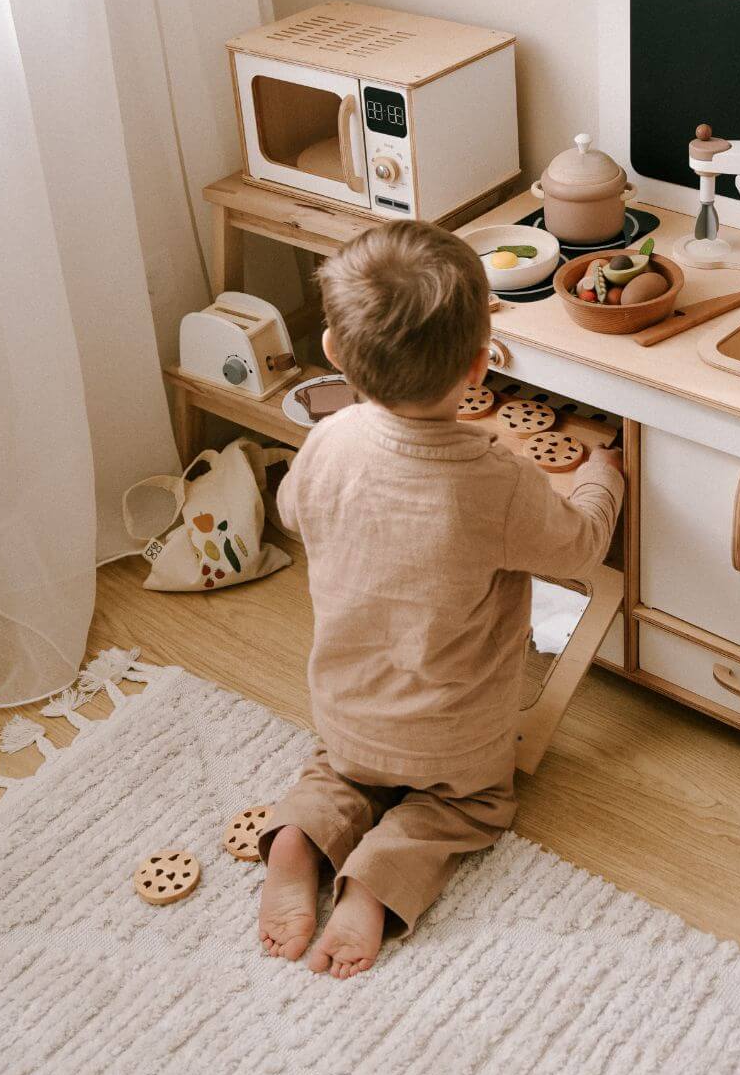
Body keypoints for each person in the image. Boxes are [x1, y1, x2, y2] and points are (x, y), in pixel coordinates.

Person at [257, 221, 624, 978]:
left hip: (347, 712)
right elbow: (580, 546)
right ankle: (373, 884)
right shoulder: (494, 482)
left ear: (334, 352)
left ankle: (298, 839)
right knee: (466, 809)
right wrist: (600, 474)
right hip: (456, 742)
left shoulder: (328, 441)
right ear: (480, 365)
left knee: (340, 773)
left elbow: (292, 511)